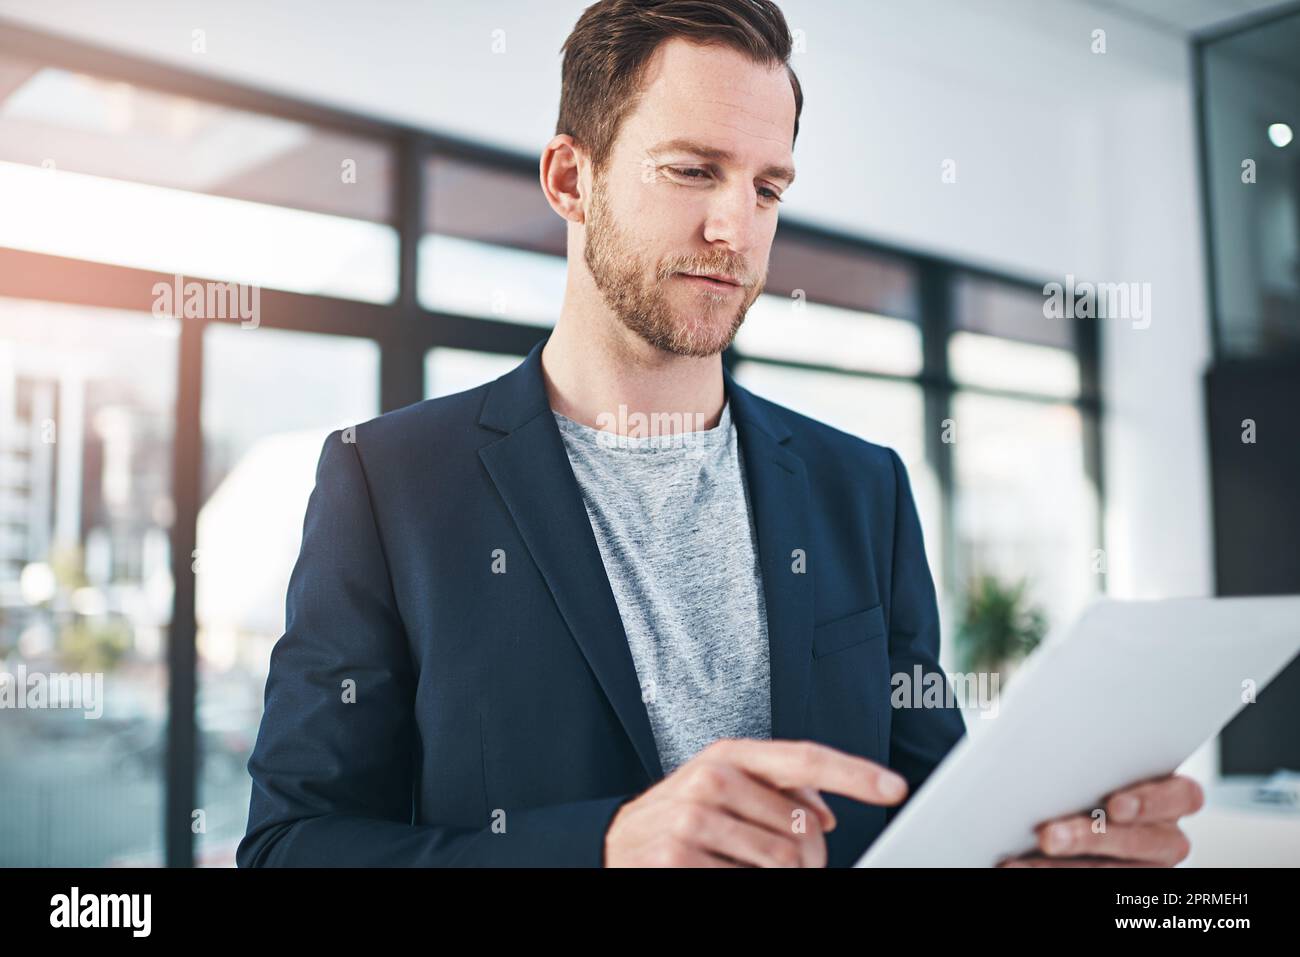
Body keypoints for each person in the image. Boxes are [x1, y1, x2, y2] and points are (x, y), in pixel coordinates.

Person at [238, 0, 1201, 868]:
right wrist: (605, 848)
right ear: (571, 178)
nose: (735, 229)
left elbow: (922, 812)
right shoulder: (392, 482)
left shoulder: (862, 490)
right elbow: (292, 846)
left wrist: (1035, 853)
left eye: (768, 188)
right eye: (693, 170)